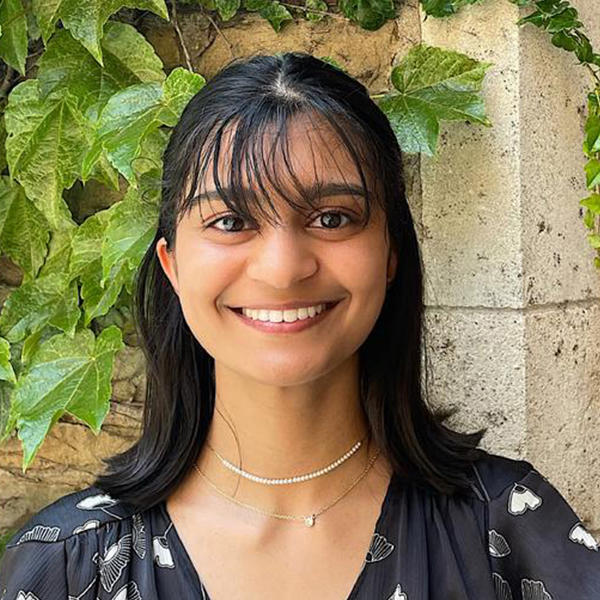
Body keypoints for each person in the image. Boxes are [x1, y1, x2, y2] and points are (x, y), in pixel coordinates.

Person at [0, 51, 598, 600]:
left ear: (391, 254)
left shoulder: (511, 537)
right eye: (232, 221)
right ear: (172, 264)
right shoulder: (67, 567)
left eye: (333, 217)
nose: (284, 270)